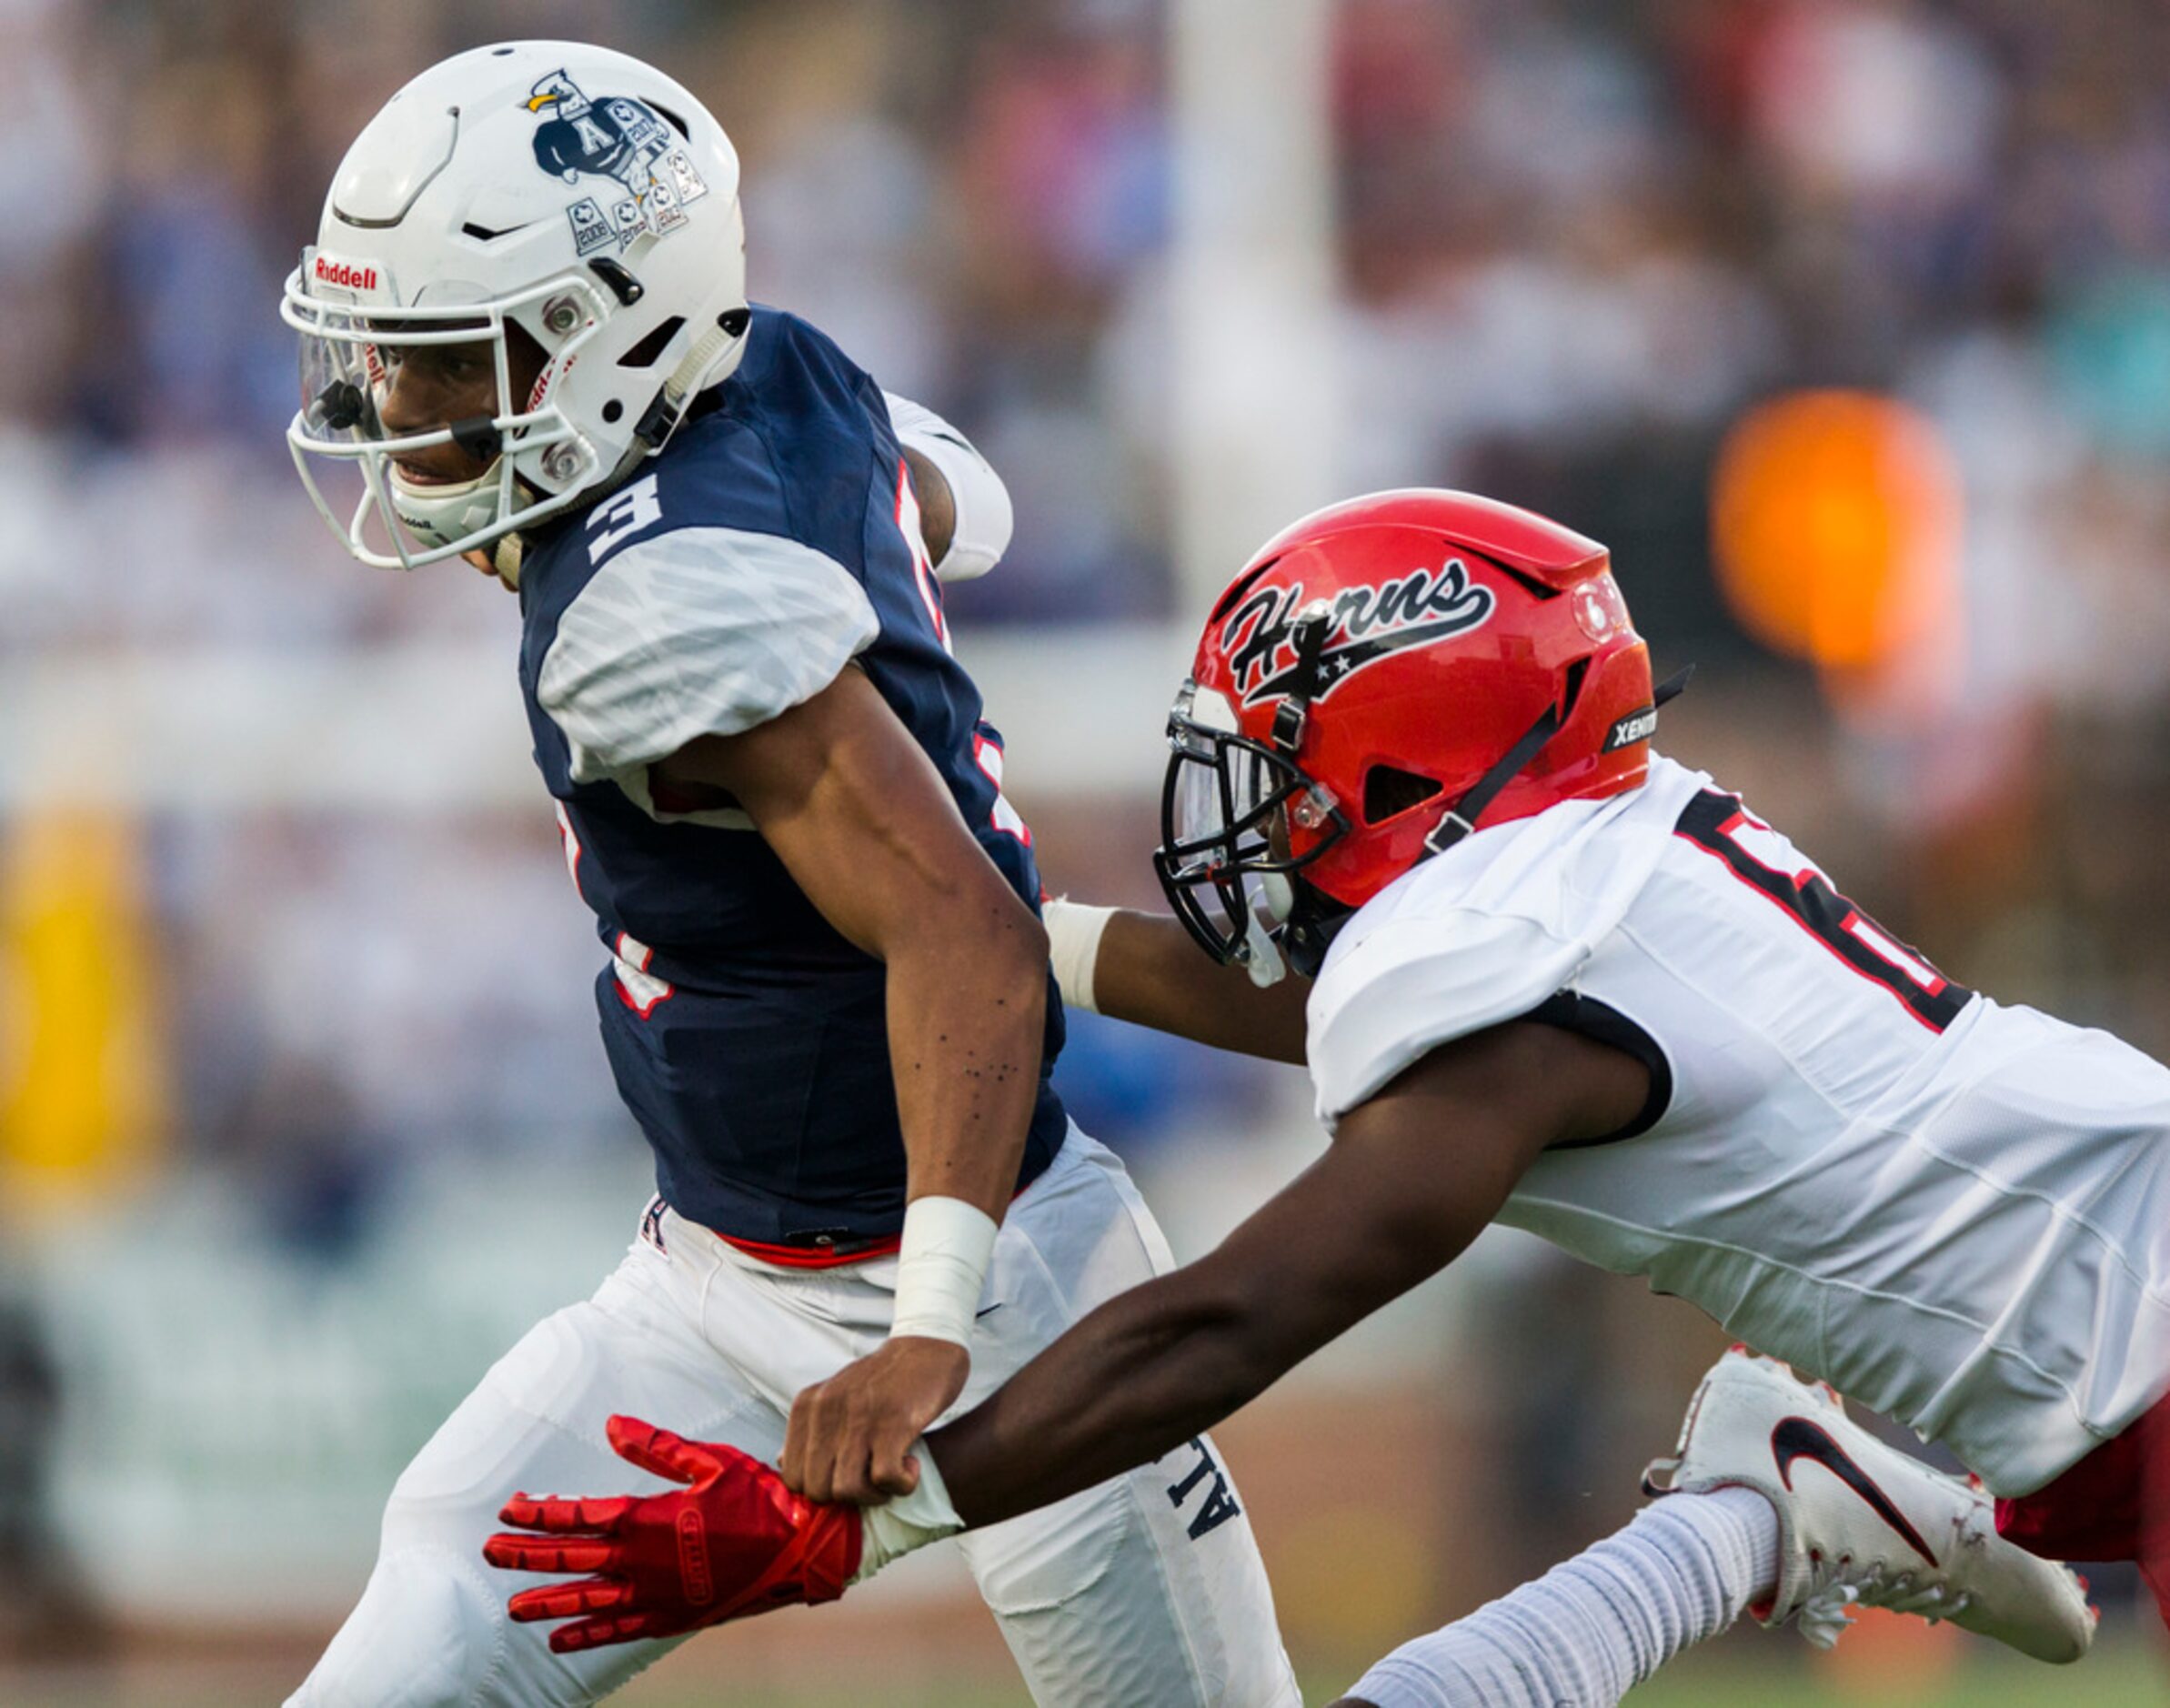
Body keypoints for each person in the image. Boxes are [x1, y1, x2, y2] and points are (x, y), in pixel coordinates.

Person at [484, 489, 2157, 1705]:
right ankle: (1757, 1506)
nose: (1246, 816)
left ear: (1414, 755)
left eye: (1269, 763)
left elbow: (1231, 1319)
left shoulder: (1511, 970)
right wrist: (1027, 941)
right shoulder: (1575, 880)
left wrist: (863, 1521)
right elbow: (1337, 1023)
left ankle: (1755, 1510)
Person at [279, 40, 1297, 1708]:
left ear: (603, 337)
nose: (395, 415)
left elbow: (965, 931)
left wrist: (931, 1328)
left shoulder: (654, 611)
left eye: (445, 365)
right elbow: (958, 499)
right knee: (443, 1582)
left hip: (987, 1277)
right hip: (705, 1285)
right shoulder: (783, 373)